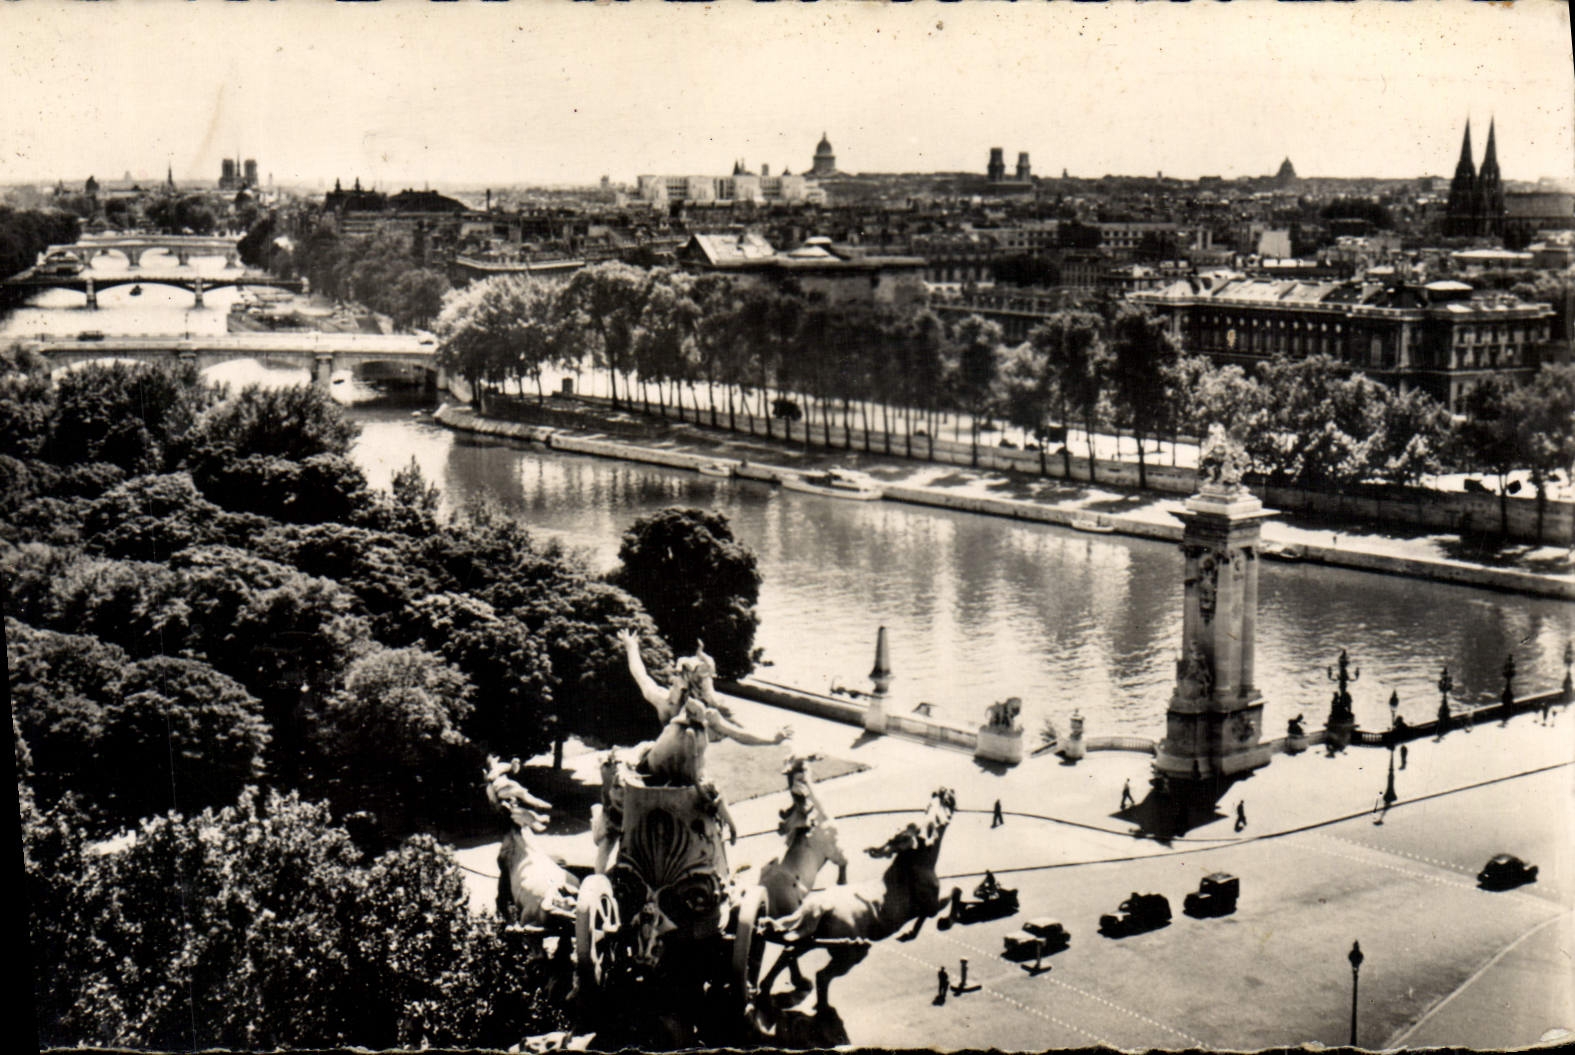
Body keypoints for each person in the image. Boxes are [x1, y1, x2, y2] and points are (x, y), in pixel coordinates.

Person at [619, 629, 791, 844]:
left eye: (675, 679)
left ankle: (731, 830)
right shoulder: (664, 702)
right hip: (664, 766)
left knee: (713, 794)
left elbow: (739, 734)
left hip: (688, 772)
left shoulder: (705, 715)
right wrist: (631, 647)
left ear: (684, 684)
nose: (671, 682)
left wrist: (772, 740)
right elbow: (640, 676)